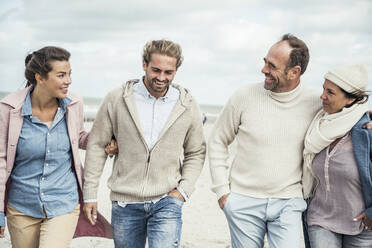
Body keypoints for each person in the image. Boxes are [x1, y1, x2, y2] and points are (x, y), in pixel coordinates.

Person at [82, 39, 206, 248]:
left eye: (169, 72)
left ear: (176, 71)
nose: (161, 77)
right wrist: (90, 195)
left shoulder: (187, 104)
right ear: (144, 64)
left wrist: (183, 191)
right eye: (156, 70)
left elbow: (196, 151)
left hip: (167, 200)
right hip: (125, 203)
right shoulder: (117, 99)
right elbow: (96, 146)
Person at [208, 34, 322, 247]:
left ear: (294, 72)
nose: (264, 70)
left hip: (289, 201)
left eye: (272, 65)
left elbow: (345, 113)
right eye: (265, 61)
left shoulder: (315, 103)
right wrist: (222, 191)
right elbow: (217, 141)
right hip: (242, 200)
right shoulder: (244, 95)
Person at [0, 46, 112, 248]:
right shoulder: (9, 109)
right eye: (61, 75)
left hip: (63, 203)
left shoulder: (73, 103)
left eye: (69, 74)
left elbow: (78, 137)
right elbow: (1, 161)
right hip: (21, 207)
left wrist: (105, 141)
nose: (68, 80)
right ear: (40, 77)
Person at [303, 64, 372, 247]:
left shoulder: (367, 131)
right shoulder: (318, 124)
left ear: (350, 99)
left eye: (330, 92)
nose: (322, 96)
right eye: (323, 88)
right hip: (320, 219)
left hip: (362, 225)